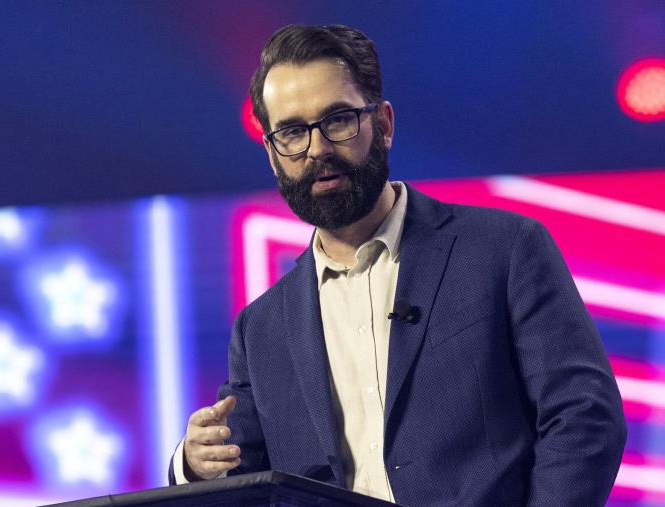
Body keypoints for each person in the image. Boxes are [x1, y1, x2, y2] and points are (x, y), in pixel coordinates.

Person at [169, 24, 626, 505]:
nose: (318, 147)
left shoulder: (505, 249)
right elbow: (237, 467)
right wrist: (195, 462)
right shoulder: (260, 328)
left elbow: (584, 416)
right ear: (272, 153)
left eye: (339, 119)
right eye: (292, 132)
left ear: (383, 125)